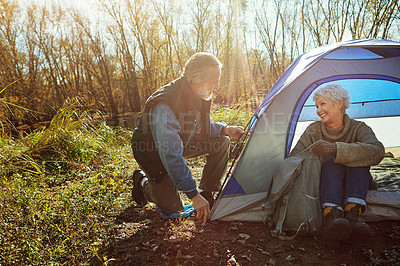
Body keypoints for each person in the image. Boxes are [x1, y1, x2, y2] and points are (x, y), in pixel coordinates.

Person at [131, 52, 245, 223]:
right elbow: (170, 153)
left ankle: (207, 192)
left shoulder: (199, 94)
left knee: (222, 142)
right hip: (155, 154)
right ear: (196, 80)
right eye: (214, 81)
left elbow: (202, 127)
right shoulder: (165, 105)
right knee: (172, 211)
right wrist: (193, 195)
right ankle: (142, 181)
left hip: (180, 143)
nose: (217, 87)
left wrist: (225, 129)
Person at [290, 84, 385, 245]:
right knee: (331, 161)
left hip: (358, 182)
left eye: (323, 104)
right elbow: (294, 158)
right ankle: (331, 219)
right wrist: (315, 156)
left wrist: (335, 149)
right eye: (317, 105)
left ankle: (352, 217)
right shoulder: (313, 130)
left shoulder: (359, 128)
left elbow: (377, 151)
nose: (318, 110)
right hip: (326, 183)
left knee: (356, 159)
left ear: (339, 103)